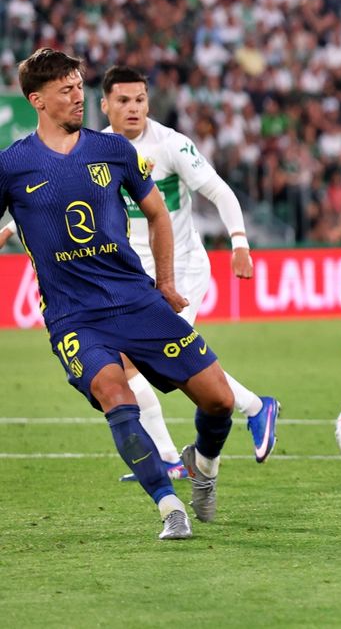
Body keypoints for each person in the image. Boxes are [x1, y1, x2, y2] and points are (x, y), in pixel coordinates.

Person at [0, 48, 235, 539]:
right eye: (65, 90)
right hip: (73, 315)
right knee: (115, 392)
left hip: (136, 300)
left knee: (219, 401)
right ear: (36, 101)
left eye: (78, 86)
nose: (77, 97)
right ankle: (169, 506)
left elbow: (157, 215)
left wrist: (166, 284)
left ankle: (204, 468)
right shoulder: (12, 165)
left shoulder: (115, 151)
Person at [99, 65, 279, 474]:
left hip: (180, 269)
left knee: (161, 360)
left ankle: (252, 408)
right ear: (105, 104)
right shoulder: (96, 148)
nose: (133, 108)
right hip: (132, 273)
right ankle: (177, 453)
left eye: (140, 100)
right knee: (131, 363)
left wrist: (239, 243)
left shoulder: (171, 145)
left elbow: (219, 190)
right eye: (124, 101)